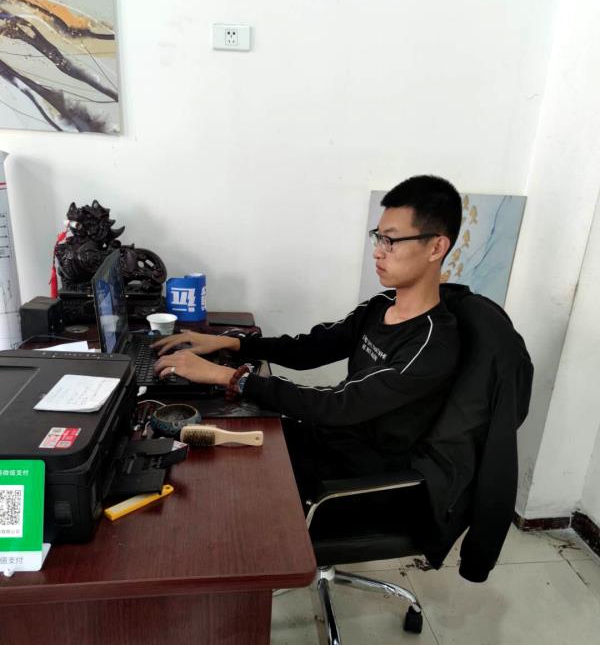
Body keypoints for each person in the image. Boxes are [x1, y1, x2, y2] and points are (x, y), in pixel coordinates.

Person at [152, 175, 462, 501]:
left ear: (436, 247)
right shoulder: (380, 306)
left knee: (216, 486)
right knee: (202, 450)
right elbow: (309, 349)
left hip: (358, 477)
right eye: (378, 238)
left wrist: (228, 376)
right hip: (328, 441)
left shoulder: (432, 345)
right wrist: (234, 343)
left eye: (391, 241)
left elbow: (338, 404)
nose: (377, 253)